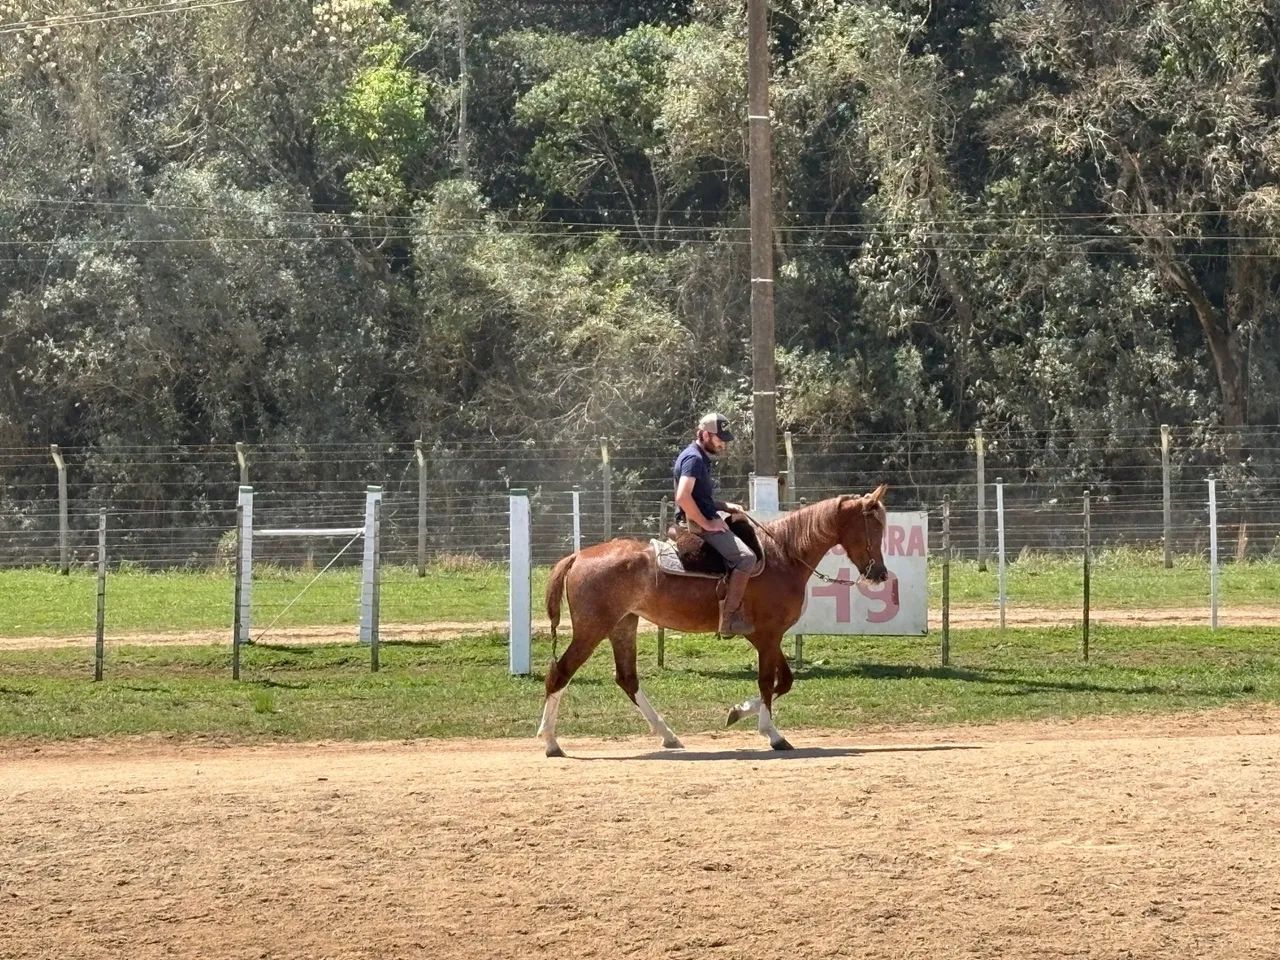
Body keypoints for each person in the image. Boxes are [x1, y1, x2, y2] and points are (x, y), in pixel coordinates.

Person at [672, 412, 756, 636]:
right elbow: (682, 497)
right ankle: (728, 620)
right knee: (747, 558)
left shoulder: (698, 457)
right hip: (696, 524)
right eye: (720, 439)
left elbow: (699, 497)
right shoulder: (694, 459)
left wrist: (725, 506)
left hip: (701, 517)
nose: (723, 444)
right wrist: (707, 524)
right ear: (705, 434)